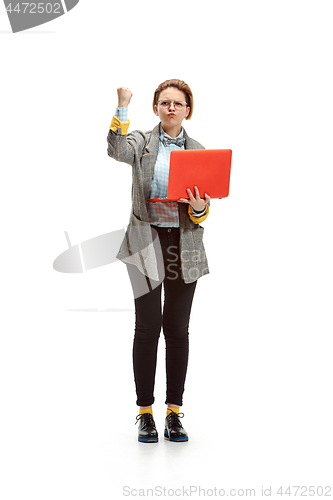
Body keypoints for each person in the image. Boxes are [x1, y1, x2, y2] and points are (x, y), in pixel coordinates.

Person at [107, 79, 210, 442]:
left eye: (177, 103)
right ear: (155, 109)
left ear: (187, 110)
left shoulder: (198, 150)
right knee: (148, 327)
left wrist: (199, 207)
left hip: (184, 246)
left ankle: (174, 413)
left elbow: (203, 208)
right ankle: (146, 412)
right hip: (144, 242)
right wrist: (122, 105)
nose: (170, 108)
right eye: (164, 102)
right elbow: (116, 150)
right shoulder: (141, 141)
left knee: (177, 331)